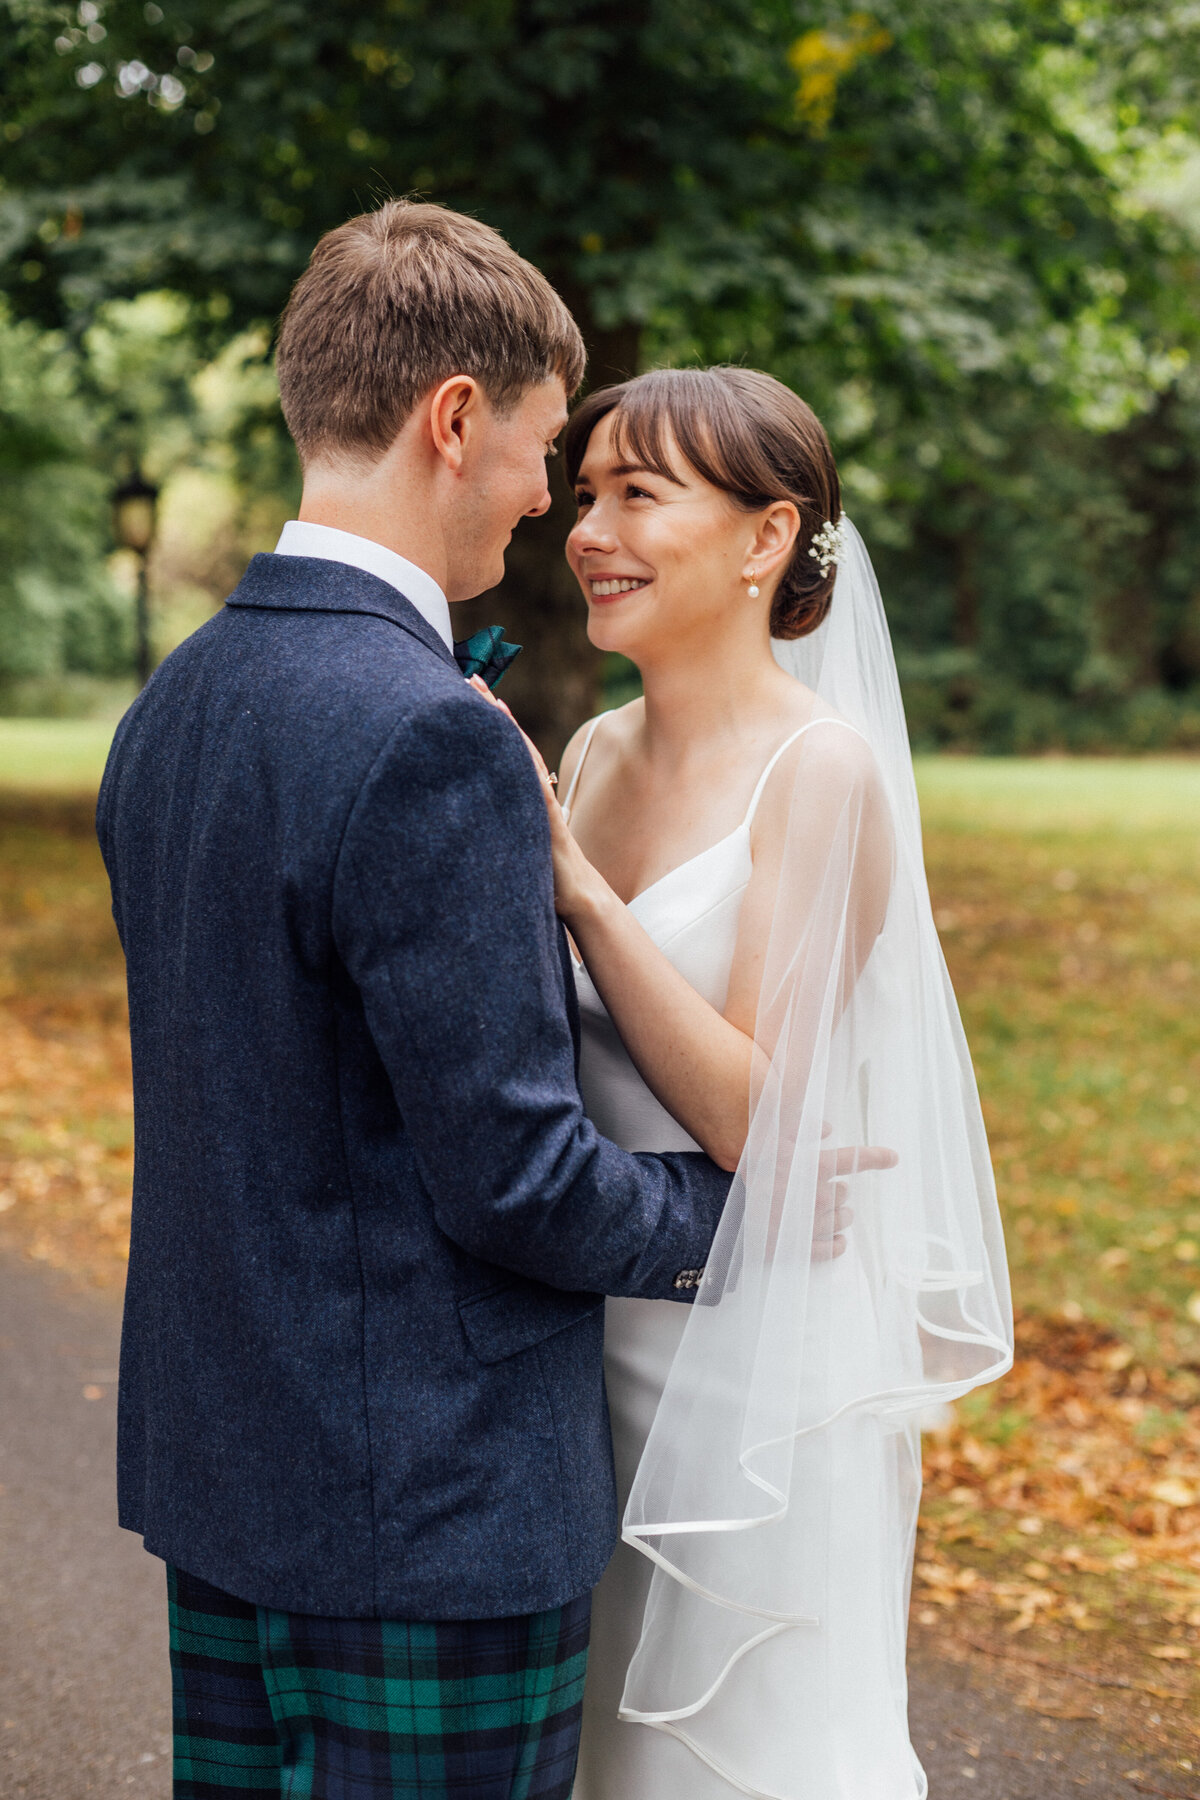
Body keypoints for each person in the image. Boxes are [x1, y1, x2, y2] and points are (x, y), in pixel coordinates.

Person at [96, 203, 754, 1800]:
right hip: (426, 1513)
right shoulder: (430, 733)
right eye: (540, 448)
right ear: (453, 420)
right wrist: (751, 1216)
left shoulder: (174, 703)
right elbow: (515, 1179)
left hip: (230, 1478)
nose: (547, 500)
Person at [482, 367, 1013, 1799]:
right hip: (586, 1334)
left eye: (639, 495)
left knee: (739, 1755)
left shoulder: (821, 773)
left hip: (753, 1361)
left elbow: (747, 1109)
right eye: (583, 493)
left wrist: (580, 894)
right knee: (600, 1750)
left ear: (766, 538)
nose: (588, 529)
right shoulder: (593, 751)